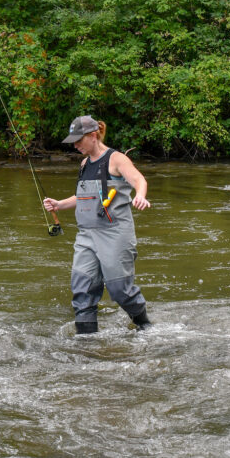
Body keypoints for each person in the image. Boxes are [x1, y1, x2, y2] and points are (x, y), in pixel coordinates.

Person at [43, 115, 152, 334]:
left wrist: (140, 196)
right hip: (86, 237)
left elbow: (140, 181)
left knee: (119, 290)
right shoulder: (84, 164)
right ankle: (86, 343)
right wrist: (59, 204)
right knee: (82, 290)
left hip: (114, 234)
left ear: (93, 135)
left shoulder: (116, 159)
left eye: (78, 140)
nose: (75, 145)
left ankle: (145, 326)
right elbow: (84, 197)